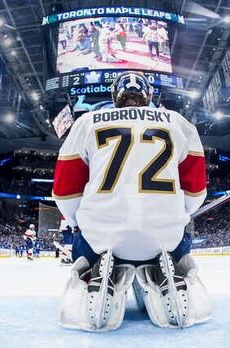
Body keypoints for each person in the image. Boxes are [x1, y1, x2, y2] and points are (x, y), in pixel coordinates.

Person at [53, 71, 211, 331]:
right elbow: (196, 193)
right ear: (148, 95)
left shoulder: (87, 122)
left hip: (100, 238)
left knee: (83, 241)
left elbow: (64, 193)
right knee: (180, 236)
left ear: (115, 96)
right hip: (165, 239)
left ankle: (96, 274)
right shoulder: (178, 123)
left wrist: (80, 222)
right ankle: (169, 272)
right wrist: (177, 214)